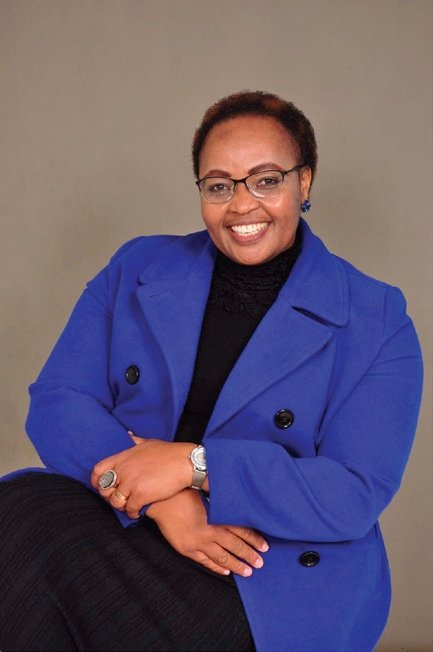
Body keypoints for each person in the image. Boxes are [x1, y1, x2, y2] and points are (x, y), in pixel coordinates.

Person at [0, 91, 423, 652]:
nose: (242, 205)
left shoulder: (376, 317)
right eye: (219, 185)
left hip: (264, 569)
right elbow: (58, 401)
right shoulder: (138, 267)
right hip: (136, 523)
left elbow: (352, 491)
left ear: (305, 182)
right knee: (21, 513)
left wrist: (194, 467)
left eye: (267, 180)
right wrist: (164, 502)